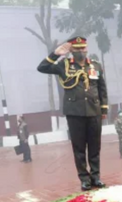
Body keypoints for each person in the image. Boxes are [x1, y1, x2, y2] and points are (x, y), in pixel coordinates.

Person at [37, 36, 107, 191]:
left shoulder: (95, 65)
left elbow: (102, 88)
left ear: (87, 48)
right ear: (71, 50)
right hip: (75, 113)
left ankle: (96, 177)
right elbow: (42, 68)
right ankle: (84, 179)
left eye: (83, 48)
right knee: (79, 148)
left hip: (94, 111)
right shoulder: (64, 65)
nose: (80, 51)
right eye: (77, 48)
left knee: (95, 146)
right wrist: (56, 54)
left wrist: (104, 108)